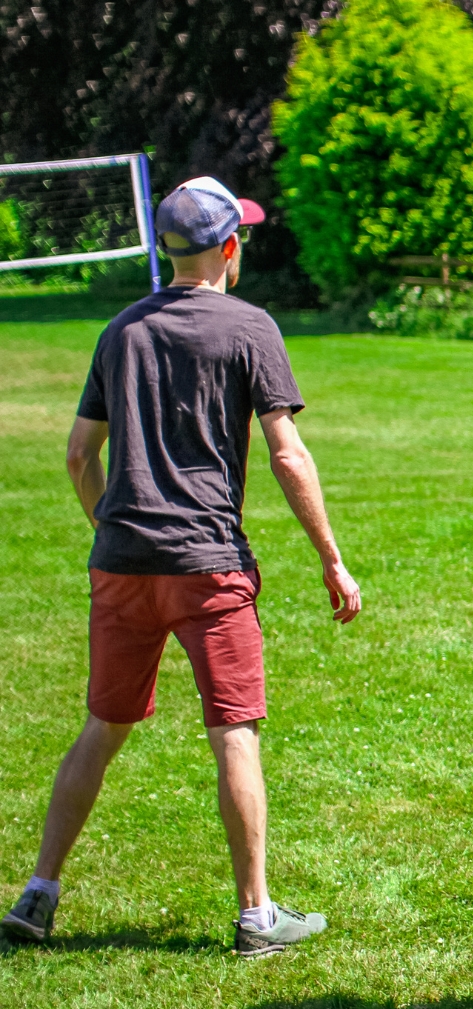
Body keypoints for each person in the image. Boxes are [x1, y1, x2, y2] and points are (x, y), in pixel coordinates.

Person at [2, 177, 363, 956]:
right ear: (229, 248)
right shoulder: (249, 327)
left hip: (122, 562)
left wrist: (114, 528)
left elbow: (77, 456)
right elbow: (287, 454)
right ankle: (258, 914)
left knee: (102, 727)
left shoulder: (120, 331)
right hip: (209, 565)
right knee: (235, 730)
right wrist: (331, 559)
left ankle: (38, 892)